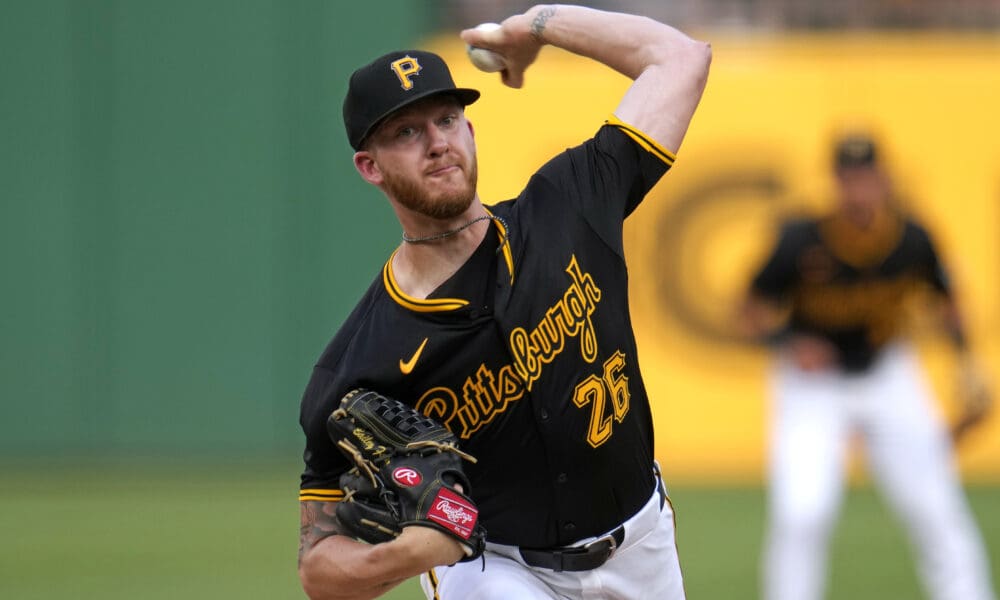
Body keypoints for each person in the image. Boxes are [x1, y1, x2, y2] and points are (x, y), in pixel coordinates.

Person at [296, 5, 711, 600]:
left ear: (471, 129)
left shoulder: (568, 208)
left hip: (641, 545)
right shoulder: (358, 364)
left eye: (446, 119)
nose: (436, 143)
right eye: (406, 132)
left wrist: (538, 23)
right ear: (370, 167)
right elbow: (318, 569)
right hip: (493, 569)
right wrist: (400, 556)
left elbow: (682, 58)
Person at [739, 133, 996, 600]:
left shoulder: (911, 237)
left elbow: (946, 302)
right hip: (812, 385)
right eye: (849, 177)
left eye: (867, 177)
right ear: (835, 181)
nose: (859, 187)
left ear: (883, 178)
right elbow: (747, 309)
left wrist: (967, 367)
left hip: (887, 375)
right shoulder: (802, 239)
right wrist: (788, 342)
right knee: (803, 511)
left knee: (936, 506)